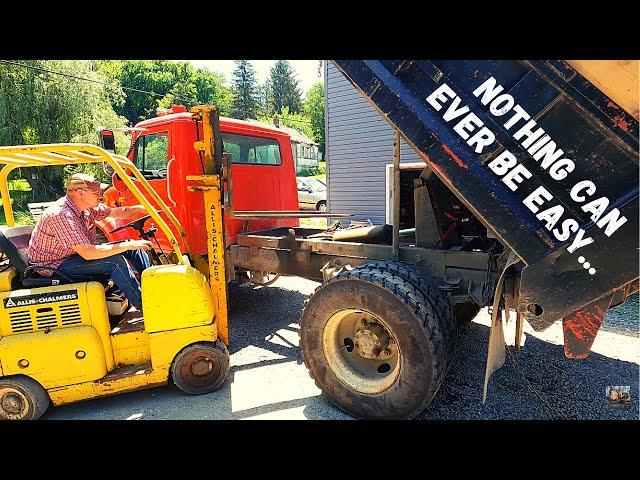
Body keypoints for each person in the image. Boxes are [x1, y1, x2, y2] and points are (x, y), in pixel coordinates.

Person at [27, 173, 152, 312]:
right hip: (54, 266)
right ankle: (147, 307)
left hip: (72, 256)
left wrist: (143, 208)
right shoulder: (61, 215)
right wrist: (128, 245)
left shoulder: (86, 208)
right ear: (80, 193)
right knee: (116, 262)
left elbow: (118, 212)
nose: (101, 197)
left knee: (133, 248)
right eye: (97, 193)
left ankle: (154, 290)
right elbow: (88, 253)